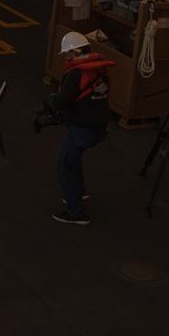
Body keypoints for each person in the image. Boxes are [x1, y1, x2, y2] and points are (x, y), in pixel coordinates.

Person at [50, 32, 113, 225]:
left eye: (68, 54)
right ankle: (79, 192)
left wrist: (51, 104)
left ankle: (76, 212)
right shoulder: (100, 70)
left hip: (82, 127)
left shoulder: (76, 73)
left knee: (64, 164)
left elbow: (62, 101)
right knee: (74, 160)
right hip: (99, 125)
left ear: (75, 52)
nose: (67, 58)